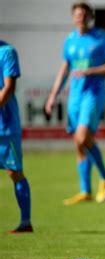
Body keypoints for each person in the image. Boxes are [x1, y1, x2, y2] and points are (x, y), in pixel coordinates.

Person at [45, 1, 105, 205]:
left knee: (83, 136)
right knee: (78, 143)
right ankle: (85, 190)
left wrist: (90, 71)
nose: (81, 19)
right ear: (73, 18)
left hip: (93, 94)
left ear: (90, 17)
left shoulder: (101, 38)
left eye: (84, 16)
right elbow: (65, 68)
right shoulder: (70, 40)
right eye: (77, 16)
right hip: (75, 96)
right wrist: (53, 95)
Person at [0, 40, 33, 234]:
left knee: (14, 172)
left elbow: (9, 86)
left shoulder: (7, 52)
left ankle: (25, 222)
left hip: (5, 128)